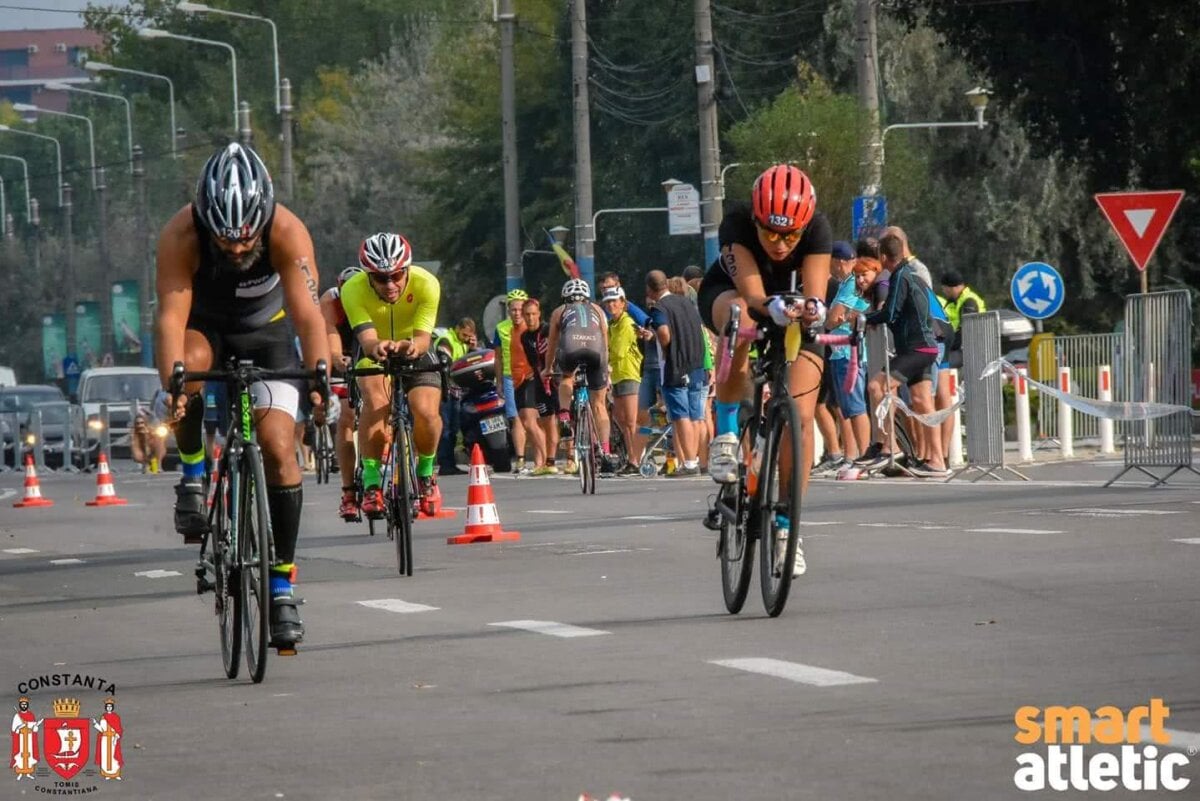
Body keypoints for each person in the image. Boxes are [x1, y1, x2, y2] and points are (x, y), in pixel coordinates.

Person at [155, 142, 330, 650]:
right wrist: (175, 387)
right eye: (224, 239)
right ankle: (192, 472)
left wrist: (318, 377)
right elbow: (169, 320)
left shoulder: (288, 231)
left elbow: (308, 316)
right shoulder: (181, 234)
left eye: (244, 238)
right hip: (203, 329)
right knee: (187, 373)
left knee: (278, 447)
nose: (234, 249)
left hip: (267, 336)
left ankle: (281, 586)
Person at [698, 164, 829, 575]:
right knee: (742, 319)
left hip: (792, 304)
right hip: (734, 295)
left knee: (802, 417)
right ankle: (726, 431)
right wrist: (766, 306)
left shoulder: (817, 230)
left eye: (790, 235)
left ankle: (789, 527)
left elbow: (816, 294)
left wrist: (814, 310)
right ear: (755, 220)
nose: (779, 243)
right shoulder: (736, 222)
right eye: (770, 232)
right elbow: (754, 293)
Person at [340, 232, 442, 517]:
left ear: (407, 269)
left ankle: (425, 473)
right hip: (375, 349)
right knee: (376, 402)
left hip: (415, 346)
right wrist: (377, 346)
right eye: (380, 278)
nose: (390, 284)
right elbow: (368, 340)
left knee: (425, 411)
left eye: (396, 275)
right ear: (367, 275)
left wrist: (412, 346)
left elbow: (423, 339)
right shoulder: (353, 289)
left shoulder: (427, 284)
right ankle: (372, 483)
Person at [857, 234, 948, 477]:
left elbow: (890, 312)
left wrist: (863, 319)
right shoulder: (914, 276)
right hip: (928, 347)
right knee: (922, 402)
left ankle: (890, 446)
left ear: (883, 258)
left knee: (877, 386)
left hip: (916, 349)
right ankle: (937, 462)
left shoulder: (900, 277)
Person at [545, 278, 613, 472]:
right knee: (599, 405)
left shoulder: (560, 311)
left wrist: (547, 368)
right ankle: (605, 452)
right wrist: (605, 368)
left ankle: (565, 415)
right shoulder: (599, 311)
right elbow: (605, 344)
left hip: (571, 350)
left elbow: (551, 345)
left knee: (567, 377)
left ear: (565, 297)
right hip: (596, 353)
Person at [647, 270, 707, 476]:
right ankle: (698, 458)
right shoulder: (686, 303)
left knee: (681, 416)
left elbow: (663, 332)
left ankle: (689, 463)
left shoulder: (659, 308)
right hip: (696, 364)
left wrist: (666, 349)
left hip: (677, 366)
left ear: (649, 289)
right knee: (696, 415)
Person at [321, 265, 365, 520]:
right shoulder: (330, 300)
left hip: (368, 346)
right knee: (347, 418)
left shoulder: (373, 294)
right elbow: (329, 334)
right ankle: (348, 492)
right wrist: (337, 358)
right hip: (344, 352)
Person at [825, 247, 872, 464]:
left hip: (850, 352)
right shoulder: (844, 284)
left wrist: (839, 317)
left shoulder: (852, 283)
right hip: (839, 352)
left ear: (839, 262)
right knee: (846, 408)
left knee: (855, 407)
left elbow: (832, 319)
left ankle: (864, 455)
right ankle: (854, 455)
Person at [937, 269, 986, 456]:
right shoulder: (953, 301)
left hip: (970, 350)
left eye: (945, 288)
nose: (944, 292)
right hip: (958, 348)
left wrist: (946, 348)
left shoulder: (969, 302)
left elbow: (964, 332)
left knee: (944, 367)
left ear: (953, 287)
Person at [601, 285, 643, 475]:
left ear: (623, 303)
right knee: (621, 419)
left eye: (614, 302)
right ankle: (631, 459)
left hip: (629, 374)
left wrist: (604, 352)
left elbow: (617, 352)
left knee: (631, 421)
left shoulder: (626, 323)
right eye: (608, 302)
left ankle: (635, 460)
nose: (611, 305)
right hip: (617, 375)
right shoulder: (612, 324)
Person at [515, 299, 558, 474]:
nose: (531, 318)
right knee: (546, 421)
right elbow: (533, 362)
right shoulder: (524, 337)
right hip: (540, 380)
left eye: (533, 314)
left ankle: (570, 459)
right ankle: (548, 462)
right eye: (527, 315)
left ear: (539, 314)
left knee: (562, 419)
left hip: (555, 377)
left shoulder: (548, 330)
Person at [435, 317, 477, 476]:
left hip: (456, 391)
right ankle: (445, 463)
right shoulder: (446, 340)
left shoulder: (462, 344)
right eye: (465, 335)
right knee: (445, 429)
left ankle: (450, 463)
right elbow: (447, 364)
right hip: (443, 389)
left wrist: (473, 348)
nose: (466, 338)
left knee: (454, 428)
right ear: (458, 328)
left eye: (469, 336)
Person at [492, 290, 527, 472]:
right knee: (515, 418)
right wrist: (498, 382)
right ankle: (520, 458)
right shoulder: (501, 328)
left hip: (529, 375)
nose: (517, 313)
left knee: (534, 418)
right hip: (509, 376)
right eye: (513, 310)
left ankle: (544, 459)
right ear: (508, 310)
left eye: (520, 309)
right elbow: (498, 357)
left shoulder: (532, 325)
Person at [130, 402, 168, 473]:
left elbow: (159, 437)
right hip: (142, 452)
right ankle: (145, 464)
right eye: (138, 423)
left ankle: (158, 465)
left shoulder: (151, 429)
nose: (140, 425)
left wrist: (150, 435)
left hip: (153, 449)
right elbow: (135, 450)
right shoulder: (134, 433)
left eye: (142, 423)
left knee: (159, 441)